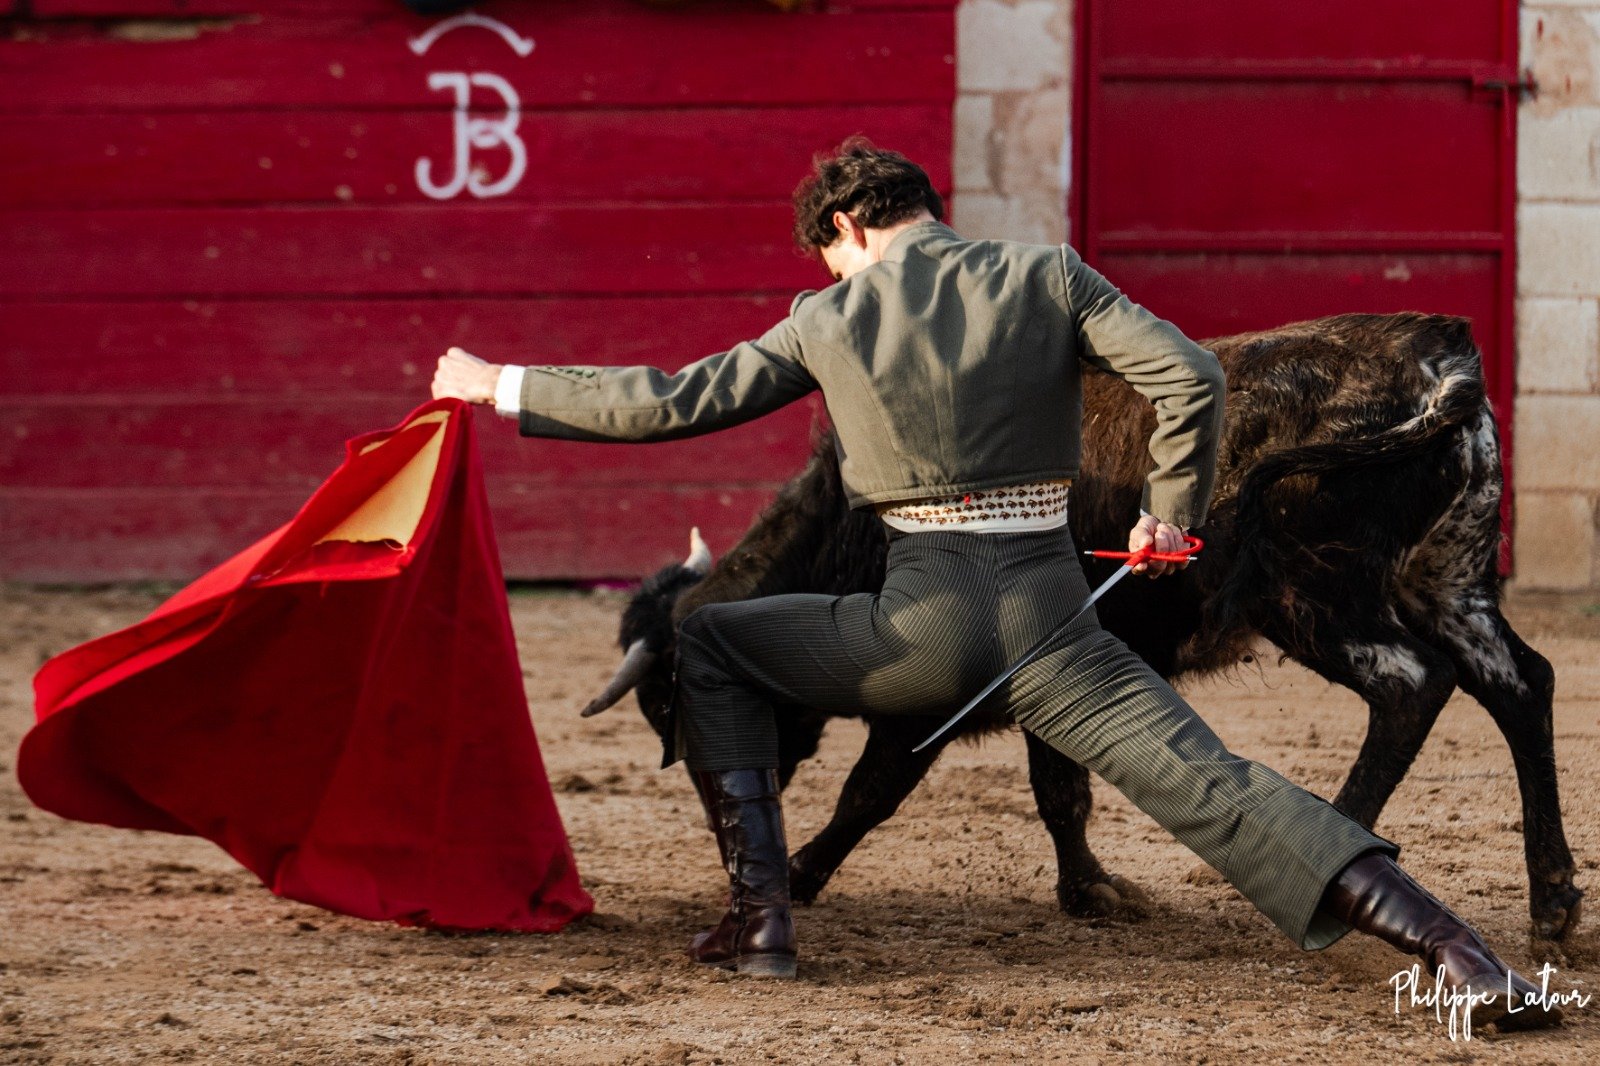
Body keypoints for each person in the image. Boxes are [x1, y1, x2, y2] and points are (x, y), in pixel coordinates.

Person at [431, 139, 1561, 1030]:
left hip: (912, 627)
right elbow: (1189, 375)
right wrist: (1171, 513)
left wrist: (499, 384)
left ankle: (760, 920)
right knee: (1221, 789)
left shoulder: (828, 316)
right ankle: (1464, 956)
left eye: (829, 257)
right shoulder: (1045, 276)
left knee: (713, 640)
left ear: (845, 227)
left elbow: (671, 400)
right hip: (1053, 619)